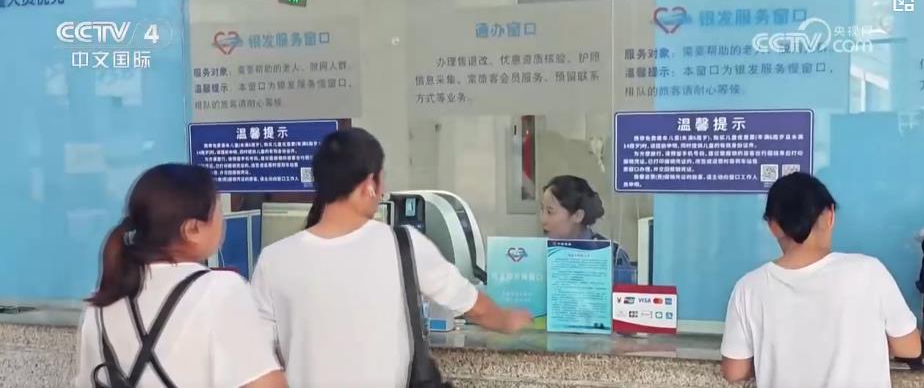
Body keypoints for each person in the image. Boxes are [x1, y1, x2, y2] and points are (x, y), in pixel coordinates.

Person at [252, 128, 532, 387]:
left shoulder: (273, 260)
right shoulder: (402, 245)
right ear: (369, 183)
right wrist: (510, 320)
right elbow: (473, 306)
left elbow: (256, 360)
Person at [75, 164, 285, 388]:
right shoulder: (221, 290)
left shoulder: (102, 301)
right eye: (218, 210)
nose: (222, 221)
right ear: (192, 229)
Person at [720, 172, 921, 387]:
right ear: (830, 216)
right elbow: (911, 348)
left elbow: (734, 371)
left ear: (773, 226)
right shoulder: (869, 272)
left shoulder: (749, 288)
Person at [541, 175, 633, 284]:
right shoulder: (539, 254)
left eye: (550, 212)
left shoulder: (613, 255)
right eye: (542, 209)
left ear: (578, 216)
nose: (543, 219)